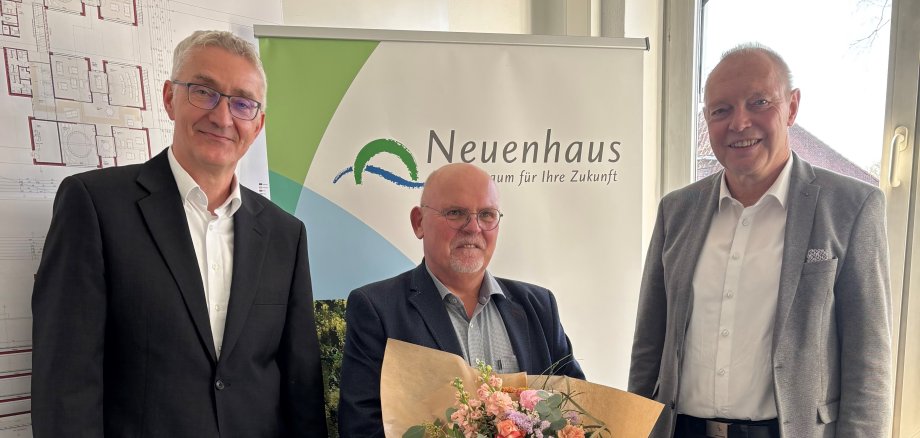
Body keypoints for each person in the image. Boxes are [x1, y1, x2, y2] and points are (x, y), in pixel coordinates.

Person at [31, 30, 327, 437]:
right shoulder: (95, 206)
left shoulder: (285, 234)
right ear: (170, 98)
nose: (222, 117)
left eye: (242, 104)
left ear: (257, 126)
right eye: (204, 92)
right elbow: (66, 382)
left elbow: (301, 385)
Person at [628, 43, 892, 438]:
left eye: (758, 102)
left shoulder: (852, 208)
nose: (739, 123)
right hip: (681, 430)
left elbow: (869, 360)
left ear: (792, 107)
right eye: (721, 110)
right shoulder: (676, 211)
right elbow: (649, 344)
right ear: (706, 119)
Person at [337, 163, 584, 437]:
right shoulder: (377, 309)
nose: (473, 228)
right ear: (419, 222)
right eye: (456, 213)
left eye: (487, 215)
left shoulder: (539, 306)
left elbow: (578, 412)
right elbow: (361, 428)